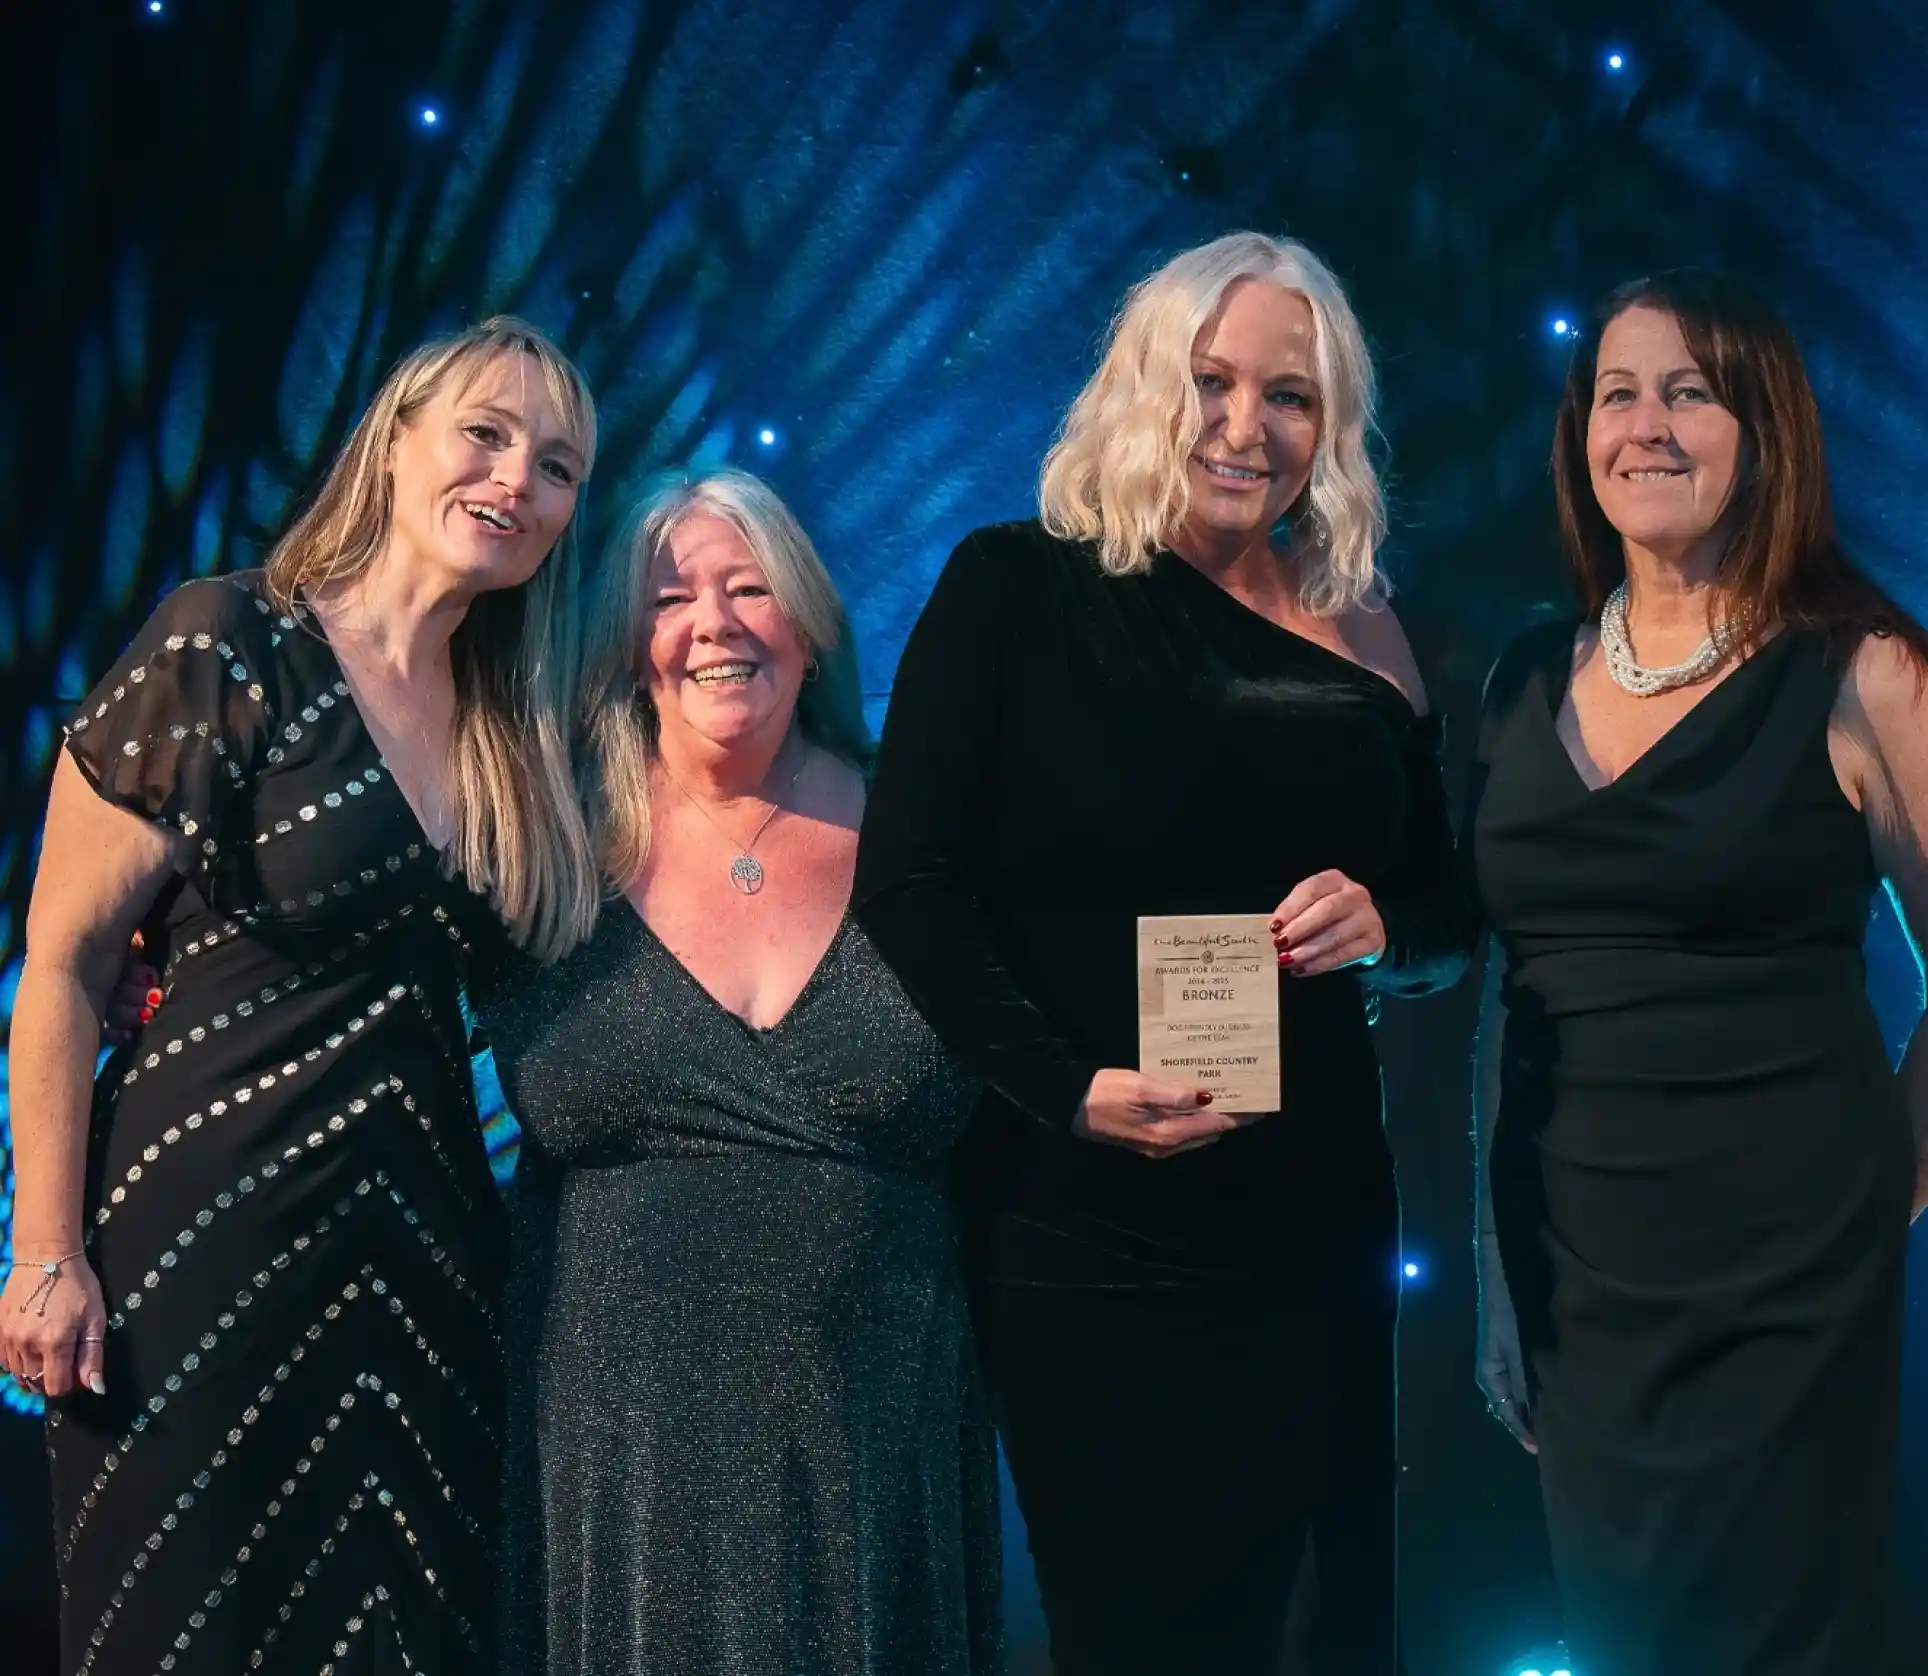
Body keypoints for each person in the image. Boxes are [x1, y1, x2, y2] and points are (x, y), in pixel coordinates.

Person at [854, 231, 1470, 1676]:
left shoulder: (1372, 630)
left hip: (1315, 1218)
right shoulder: (1015, 588)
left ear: (1334, 424)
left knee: (1319, 1628)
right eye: (1210, 381)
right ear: (1143, 383)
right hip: (1087, 1222)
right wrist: (1065, 1089)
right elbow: (911, 885)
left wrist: (1388, 929)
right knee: (1142, 1635)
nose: (1246, 427)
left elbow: (1450, 923)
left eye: (1291, 395)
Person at [4, 317, 600, 1674]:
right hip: (201, 1241)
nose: (517, 480)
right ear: (394, 444)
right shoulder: (232, 643)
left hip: (423, 1272)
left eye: (557, 466)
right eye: (487, 436)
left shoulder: (519, 732)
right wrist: (44, 1255)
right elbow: (64, 966)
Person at [1465, 269, 1928, 1675]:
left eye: (1691, 392)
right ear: (1580, 435)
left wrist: (1850, 1229)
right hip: (1581, 1292)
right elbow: (1505, 986)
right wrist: (1492, 1264)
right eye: (1618, 393)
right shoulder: (1519, 680)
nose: (1646, 427)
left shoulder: (1862, 674)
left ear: (1764, 428)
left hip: (1788, 1308)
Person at [480, 470, 999, 1676]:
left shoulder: (932, 833)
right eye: (670, 597)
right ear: (628, 644)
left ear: (810, 624)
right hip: (612, 1449)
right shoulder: (540, 843)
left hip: (879, 1426)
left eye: (748, 586)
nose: (711, 621)